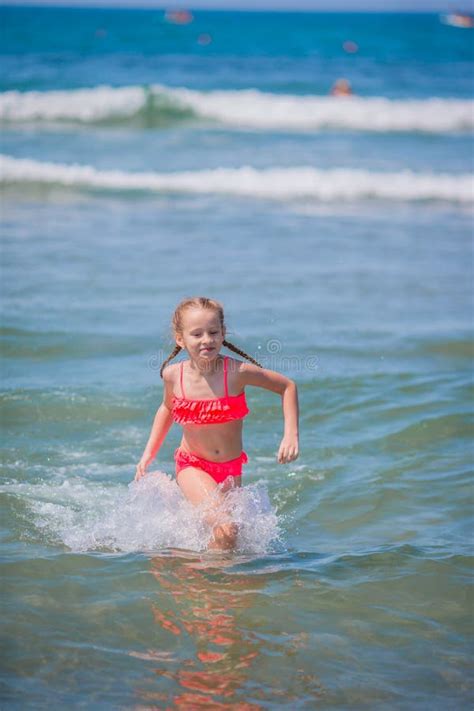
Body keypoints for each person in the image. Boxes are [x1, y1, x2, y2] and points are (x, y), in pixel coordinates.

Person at [134, 296, 299, 550]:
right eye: (197, 334)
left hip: (231, 469)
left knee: (228, 540)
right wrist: (148, 454)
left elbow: (287, 386)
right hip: (192, 466)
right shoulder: (173, 376)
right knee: (226, 527)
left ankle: (203, 579)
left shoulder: (236, 373)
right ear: (180, 339)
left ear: (223, 333)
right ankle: (210, 583)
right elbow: (167, 408)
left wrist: (290, 435)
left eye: (213, 332)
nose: (206, 340)